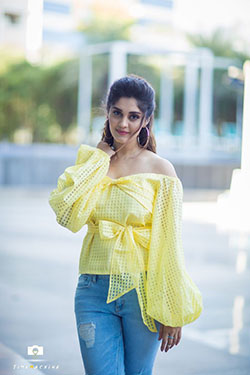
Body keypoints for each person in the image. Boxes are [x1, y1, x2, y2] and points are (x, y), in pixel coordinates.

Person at [48, 74, 203, 375]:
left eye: (133, 116)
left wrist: (172, 308)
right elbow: (69, 216)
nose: (123, 124)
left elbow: (169, 244)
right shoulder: (92, 163)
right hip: (93, 290)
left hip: (142, 292)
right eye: (117, 113)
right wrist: (98, 161)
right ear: (107, 112)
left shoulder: (161, 170)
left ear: (146, 119)